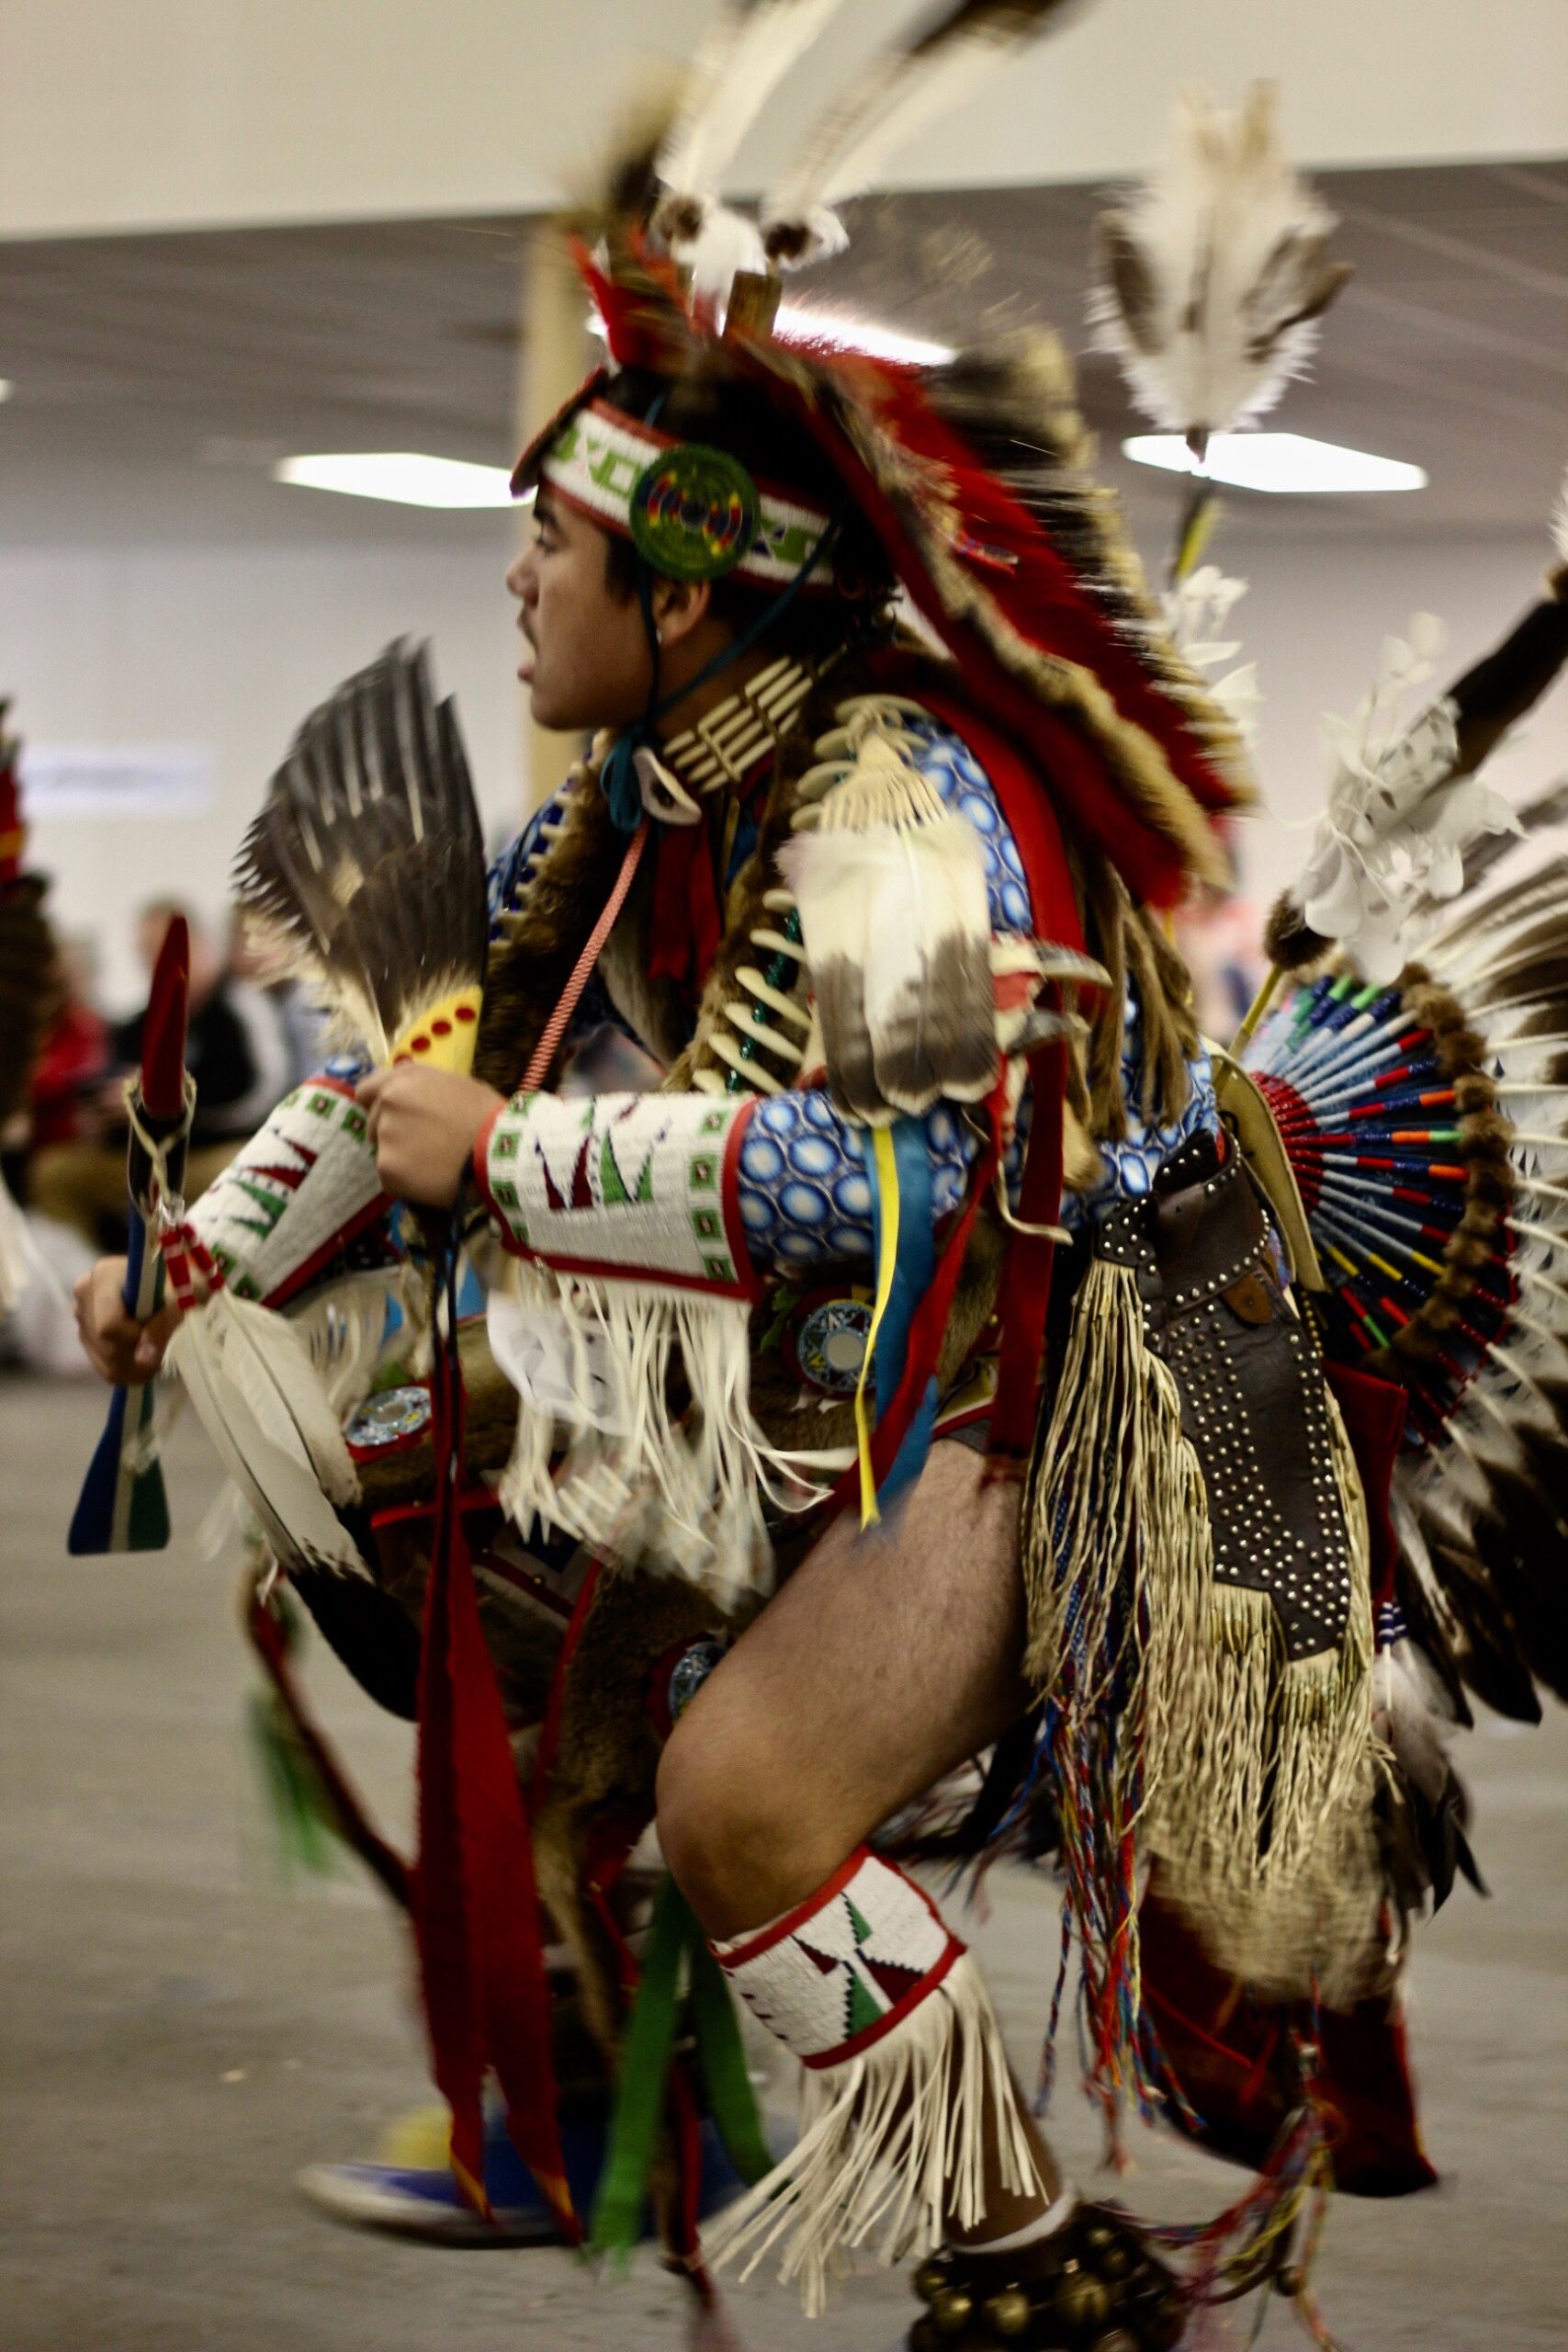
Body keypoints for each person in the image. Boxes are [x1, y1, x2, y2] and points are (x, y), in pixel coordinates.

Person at [71, 17, 1562, 2346]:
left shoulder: (884, 802)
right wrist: (187, 1255)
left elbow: (881, 1175)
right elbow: (427, 1046)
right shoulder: (647, 794)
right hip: (829, 1375)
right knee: (418, 1511)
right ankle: (639, 2100)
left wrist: (520, 1159)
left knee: (748, 1792)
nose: (511, 584)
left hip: (1042, 1373)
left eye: (542, 542)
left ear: (686, 582)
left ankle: (1031, 2263)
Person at [34, 899, 288, 1249]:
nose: (153, 965)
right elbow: (113, 1082)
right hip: (154, 1156)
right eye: (145, 954)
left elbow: (262, 1094)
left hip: (221, 1149)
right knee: (55, 1173)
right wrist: (107, 1110)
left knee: (242, 1171)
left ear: (200, 946)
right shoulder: (141, 1023)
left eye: (160, 951)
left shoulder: (239, 1007)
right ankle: (97, 1279)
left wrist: (168, 1102)